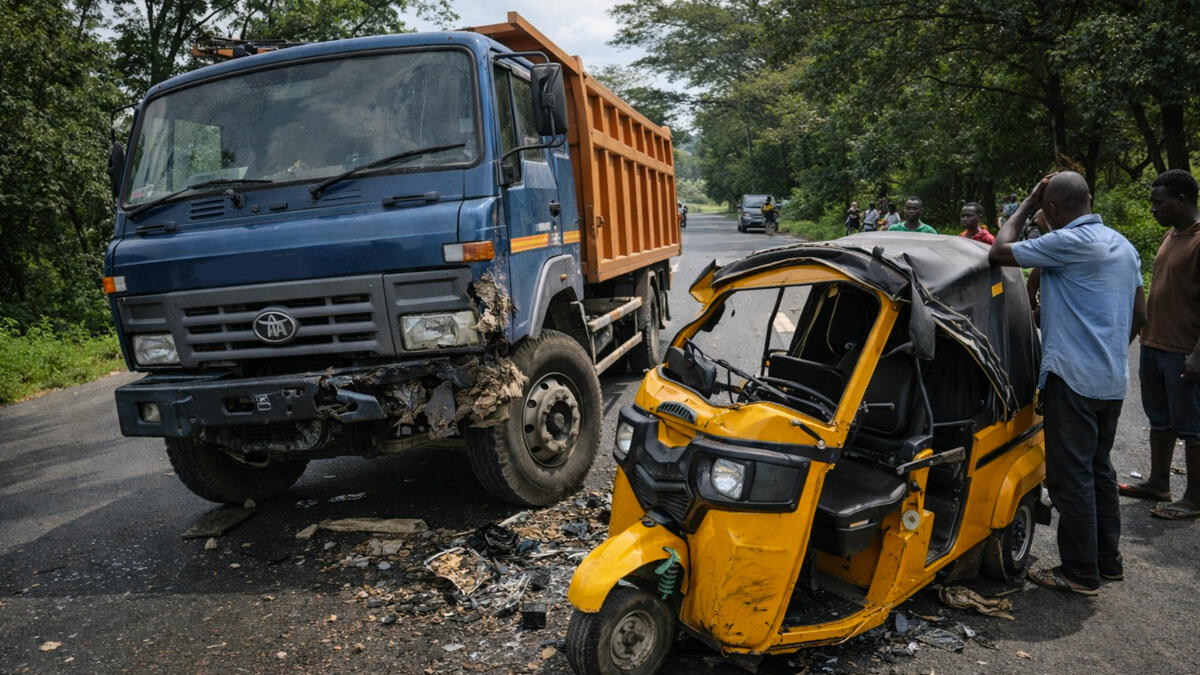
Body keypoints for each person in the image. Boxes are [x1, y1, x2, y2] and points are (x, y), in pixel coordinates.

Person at [989, 171, 1146, 595]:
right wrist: (1107, 350)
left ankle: (1079, 573)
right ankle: (1106, 562)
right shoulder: (1123, 245)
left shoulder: (1068, 243)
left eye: (1046, 208)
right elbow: (1140, 316)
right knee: (1098, 472)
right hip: (1111, 381)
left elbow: (998, 251)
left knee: (1068, 480)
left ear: (1053, 210)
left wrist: (1027, 202)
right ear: (1090, 199)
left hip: (1072, 382)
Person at [1118, 169, 1200, 519]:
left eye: (1158, 202)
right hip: (1155, 343)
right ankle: (1158, 483)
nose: (1152, 208)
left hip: (1184, 348)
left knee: (1191, 425)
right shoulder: (1172, 234)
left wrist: (1198, 354)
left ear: (1181, 200)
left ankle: (1195, 498)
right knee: (1160, 419)